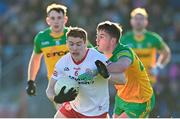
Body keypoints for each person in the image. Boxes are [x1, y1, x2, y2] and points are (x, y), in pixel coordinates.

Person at [26, 3, 93, 98]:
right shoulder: (41, 38)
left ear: (65, 19)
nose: (56, 21)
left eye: (59, 18)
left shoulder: (75, 34)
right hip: (55, 84)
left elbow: (92, 53)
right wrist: (31, 81)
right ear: (48, 20)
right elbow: (35, 60)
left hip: (78, 81)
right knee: (64, 109)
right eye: (52, 18)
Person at [46, 27, 114, 118]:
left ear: (85, 43)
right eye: (71, 44)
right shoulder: (62, 62)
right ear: (66, 43)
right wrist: (56, 98)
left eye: (78, 44)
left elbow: (121, 79)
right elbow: (49, 90)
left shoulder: (98, 58)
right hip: (73, 108)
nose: (74, 48)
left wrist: (107, 75)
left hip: (96, 111)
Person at [96, 21, 155, 118]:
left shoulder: (125, 51)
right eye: (97, 36)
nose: (97, 40)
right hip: (121, 97)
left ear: (112, 41)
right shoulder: (99, 51)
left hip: (140, 101)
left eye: (101, 37)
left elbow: (121, 66)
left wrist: (102, 68)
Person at [121, 8, 171, 86]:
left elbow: (166, 52)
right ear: (131, 21)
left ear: (146, 21)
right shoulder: (125, 39)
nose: (138, 21)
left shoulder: (153, 38)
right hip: (130, 81)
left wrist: (158, 67)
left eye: (141, 19)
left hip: (149, 80)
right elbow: (115, 55)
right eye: (136, 18)